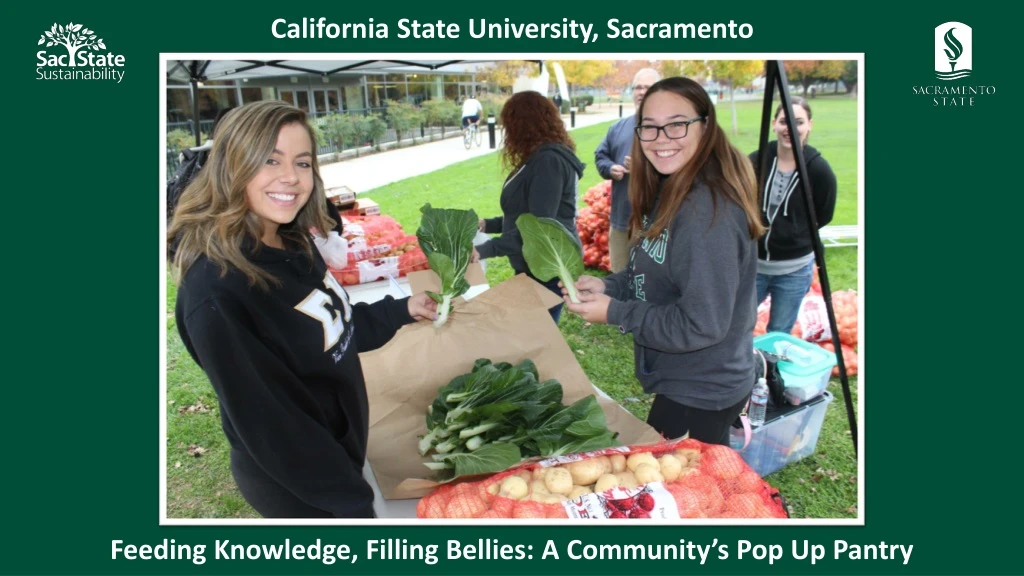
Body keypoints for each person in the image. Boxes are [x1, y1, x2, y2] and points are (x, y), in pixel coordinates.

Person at [168, 101, 438, 518]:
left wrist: (401, 308)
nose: (290, 178)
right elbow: (277, 430)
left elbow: (333, 326)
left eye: (303, 162)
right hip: (302, 487)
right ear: (230, 165)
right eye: (269, 160)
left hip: (338, 453)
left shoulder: (290, 238)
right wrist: (352, 506)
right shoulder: (218, 292)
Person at [563, 78, 765, 445]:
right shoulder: (674, 185)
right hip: (683, 379)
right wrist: (610, 286)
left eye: (677, 124)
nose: (661, 138)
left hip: (704, 389)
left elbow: (701, 324)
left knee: (685, 496)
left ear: (705, 126)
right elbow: (652, 270)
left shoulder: (707, 212)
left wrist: (616, 312)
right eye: (650, 127)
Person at [474, 90, 585, 324]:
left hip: (547, 269)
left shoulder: (548, 161)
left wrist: (483, 251)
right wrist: (489, 225)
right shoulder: (539, 157)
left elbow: (537, 230)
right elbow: (526, 215)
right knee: (529, 335)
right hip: (534, 266)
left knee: (535, 338)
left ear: (521, 126)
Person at [749, 97, 837, 334]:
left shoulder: (819, 170)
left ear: (809, 125)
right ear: (774, 124)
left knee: (779, 331)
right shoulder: (756, 160)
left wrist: (792, 234)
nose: (790, 129)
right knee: (737, 326)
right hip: (753, 266)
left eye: (798, 122)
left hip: (794, 271)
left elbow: (824, 215)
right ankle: (738, 370)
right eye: (784, 122)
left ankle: (771, 370)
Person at [594, 68, 661, 272]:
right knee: (620, 277)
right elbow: (600, 156)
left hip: (657, 223)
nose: (641, 92)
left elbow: (682, 171)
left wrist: (644, 168)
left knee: (651, 282)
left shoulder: (670, 129)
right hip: (622, 221)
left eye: (647, 87)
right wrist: (610, 168)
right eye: (637, 87)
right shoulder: (618, 128)